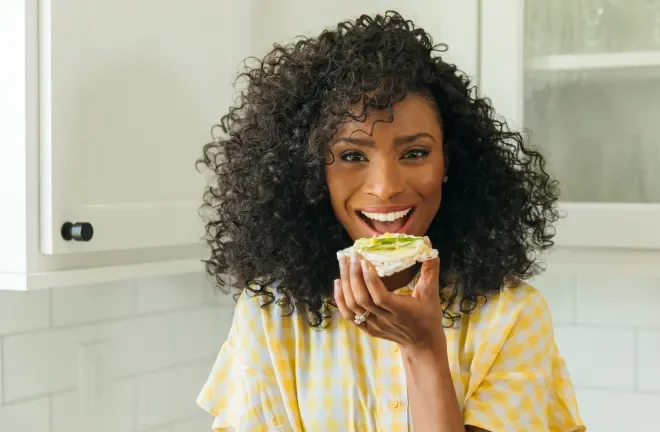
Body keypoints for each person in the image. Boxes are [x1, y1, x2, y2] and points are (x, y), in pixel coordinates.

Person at [195, 10, 585, 432]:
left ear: (448, 162)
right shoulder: (270, 317)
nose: (385, 188)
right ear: (314, 173)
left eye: (415, 153)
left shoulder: (510, 317)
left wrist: (423, 347)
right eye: (351, 156)